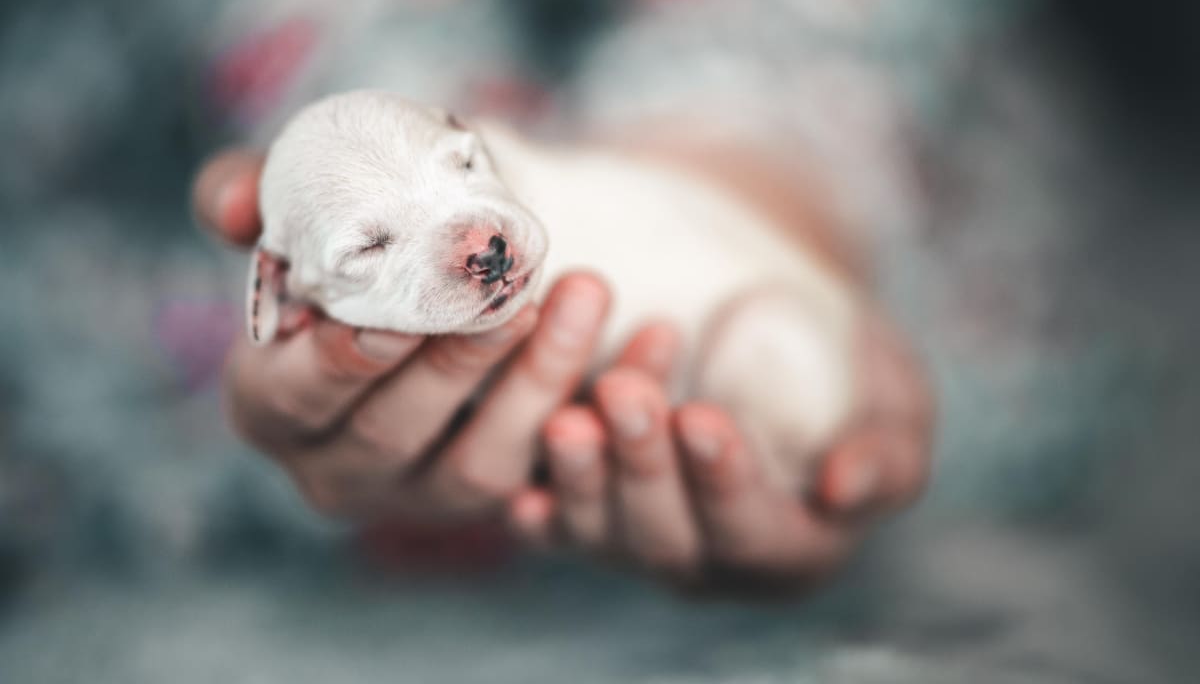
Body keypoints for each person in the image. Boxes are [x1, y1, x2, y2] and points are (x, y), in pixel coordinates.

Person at [192, 127, 933, 594]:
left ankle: (779, 454)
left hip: (785, 332)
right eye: (368, 245)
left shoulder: (516, 195)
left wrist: (772, 195)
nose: (481, 248)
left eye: (462, 167)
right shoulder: (287, 279)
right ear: (276, 289)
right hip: (207, 544)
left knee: (771, 366)